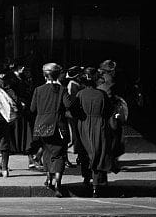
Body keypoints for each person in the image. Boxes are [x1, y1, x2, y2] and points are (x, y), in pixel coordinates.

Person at [63, 67, 113, 197]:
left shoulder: (80, 94)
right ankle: (97, 183)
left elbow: (74, 111)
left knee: (85, 152)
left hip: (83, 125)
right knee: (98, 152)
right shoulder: (102, 94)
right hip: (99, 125)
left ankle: (86, 178)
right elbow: (109, 111)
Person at [30, 63, 69, 197]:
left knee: (47, 152)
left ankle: (49, 178)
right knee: (59, 154)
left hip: (42, 126)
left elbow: (32, 109)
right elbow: (68, 105)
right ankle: (58, 182)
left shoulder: (38, 90)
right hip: (58, 126)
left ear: (44, 75)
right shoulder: (62, 89)